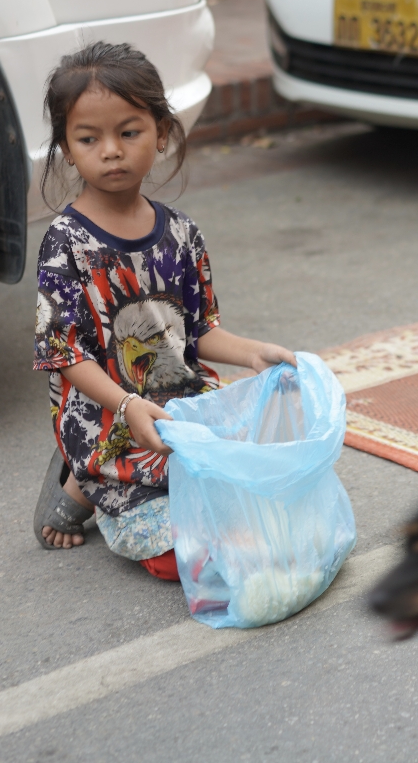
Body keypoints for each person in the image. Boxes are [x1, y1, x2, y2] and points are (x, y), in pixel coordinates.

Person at [31, 42, 295, 580]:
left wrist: (254, 355)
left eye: (129, 133)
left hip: (178, 409)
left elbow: (197, 334)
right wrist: (127, 405)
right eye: (89, 138)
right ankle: (86, 477)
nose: (111, 151)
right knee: (185, 558)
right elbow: (65, 358)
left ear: (162, 132)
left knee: (259, 502)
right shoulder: (65, 243)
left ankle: (95, 478)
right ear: (65, 146)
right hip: (107, 414)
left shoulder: (180, 233)